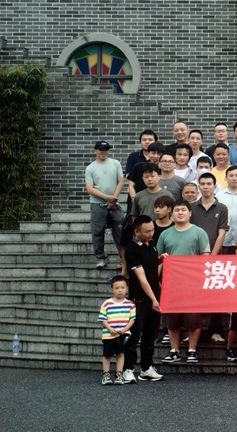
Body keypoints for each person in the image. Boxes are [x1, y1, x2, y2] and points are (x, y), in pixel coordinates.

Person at [157, 199, 210, 364]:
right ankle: (174, 350)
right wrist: (160, 263)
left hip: (192, 283)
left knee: (193, 319)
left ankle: (192, 350)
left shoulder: (199, 232)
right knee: (172, 320)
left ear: (190, 213)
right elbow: (158, 258)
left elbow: (205, 256)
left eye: (183, 210)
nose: (180, 213)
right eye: (177, 210)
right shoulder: (165, 234)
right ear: (172, 214)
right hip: (172, 284)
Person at [122, 215, 163, 382]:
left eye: (152, 230)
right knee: (134, 334)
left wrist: (161, 259)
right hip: (139, 298)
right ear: (136, 231)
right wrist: (153, 299)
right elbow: (142, 278)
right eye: (147, 231)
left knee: (150, 334)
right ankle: (127, 369)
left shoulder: (151, 245)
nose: (151, 233)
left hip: (155, 296)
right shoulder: (132, 249)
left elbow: (151, 267)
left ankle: (146, 368)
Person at [85, 140, 126, 270]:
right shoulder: (90, 168)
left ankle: (123, 259)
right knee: (97, 232)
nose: (103, 152)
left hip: (114, 203)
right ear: (95, 150)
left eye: (106, 149)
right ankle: (100, 258)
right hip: (97, 204)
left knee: (121, 231)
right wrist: (107, 198)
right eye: (101, 149)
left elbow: (121, 181)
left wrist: (113, 198)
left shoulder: (115, 163)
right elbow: (90, 189)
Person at [98, 275, 135, 385]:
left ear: (127, 288)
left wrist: (125, 329)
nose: (120, 290)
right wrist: (110, 329)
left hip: (122, 334)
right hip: (108, 334)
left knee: (120, 354)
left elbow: (132, 319)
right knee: (107, 354)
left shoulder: (130, 304)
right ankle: (106, 374)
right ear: (112, 289)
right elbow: (102, 318)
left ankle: (119, 374)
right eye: (117, 288)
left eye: (122, 287)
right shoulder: (107, 303)